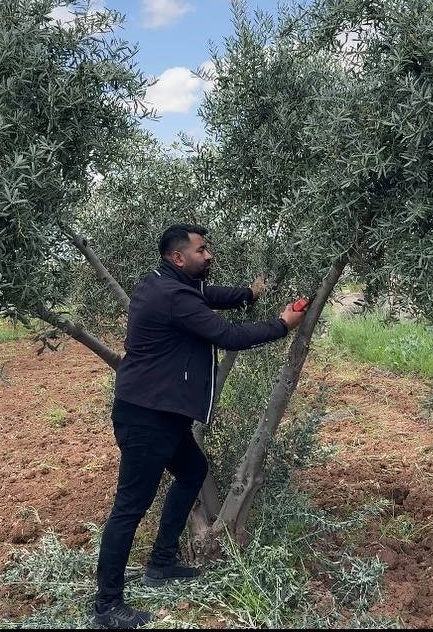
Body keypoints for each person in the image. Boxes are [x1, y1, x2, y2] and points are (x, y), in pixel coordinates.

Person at [90, 224, 306, 629]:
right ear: (179, 257)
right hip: (147, 417)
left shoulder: (168, 282)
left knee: (192, 472)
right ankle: (107, 607)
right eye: (202, 250)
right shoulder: (173, 295)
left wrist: (247, 293)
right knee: (129, 508)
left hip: (160, 414)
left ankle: (161, 562)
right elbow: (227, 335)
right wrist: (282, 324)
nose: (209, 256)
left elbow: (210, 295)